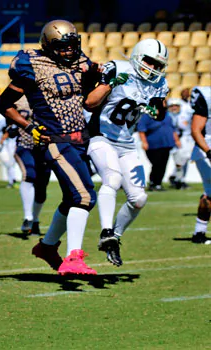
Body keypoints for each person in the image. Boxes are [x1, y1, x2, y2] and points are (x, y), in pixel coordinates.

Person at [0, 19, 98, 275]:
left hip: (80, 138)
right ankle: (74, 257)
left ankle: (47, 246)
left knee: (73, 198)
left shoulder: (81, 62)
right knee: (84, 197)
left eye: (73, 45)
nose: (69, 51)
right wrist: (29, 127)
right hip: (54, 140)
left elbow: (88, 99)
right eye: (63, 47)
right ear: (48, 45)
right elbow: (3, 104)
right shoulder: (32, 65)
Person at [85, 38, 170, 266]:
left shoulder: (158, 83)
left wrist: (154, 107)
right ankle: (105, 232)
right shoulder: (118, 68)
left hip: (126, 142)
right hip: (100, 135)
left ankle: (115, 238)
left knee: (139, 198)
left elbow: (160, 115)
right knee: (112, 178)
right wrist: (110, 85)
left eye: (158, 65)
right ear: (138, 56)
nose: (153, 68)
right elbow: (89, 103)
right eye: (150, 62)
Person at [11, 100, 50, 235]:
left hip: (45, 147)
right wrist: (10, 126)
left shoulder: (49, 93)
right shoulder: (17, 97)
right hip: (24, 145)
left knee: (42, 188)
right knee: (29, 174)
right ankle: (28, 217)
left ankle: (35, 220)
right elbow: (5, 110)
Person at [138, 97, 180, 192]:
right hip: (153, 145)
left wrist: (176, 140)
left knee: (163, 165)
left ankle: (158, 183)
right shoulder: (148, 115)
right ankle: (153, 183)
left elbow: (172, 128)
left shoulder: (167, 115)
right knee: (156, 164)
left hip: (166, 144)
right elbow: (141, 129)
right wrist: (144, 142)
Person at [188, 86, 211, 244]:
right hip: (206, 149)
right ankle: (199, 232)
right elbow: (196, 130)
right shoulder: (207, 97)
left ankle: (199, 232)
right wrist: (208, 151)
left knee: (209, 194)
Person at [168, 98, 193, 189]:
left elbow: (186, 126)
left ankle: (178, 178)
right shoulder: (167, 116)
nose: (174, 107)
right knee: (179, 161)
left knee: (184, 159)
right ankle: (178, 179)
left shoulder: (184, 115)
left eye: (176, 106)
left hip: (185, 140)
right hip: (173, 141)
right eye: (172, 106)